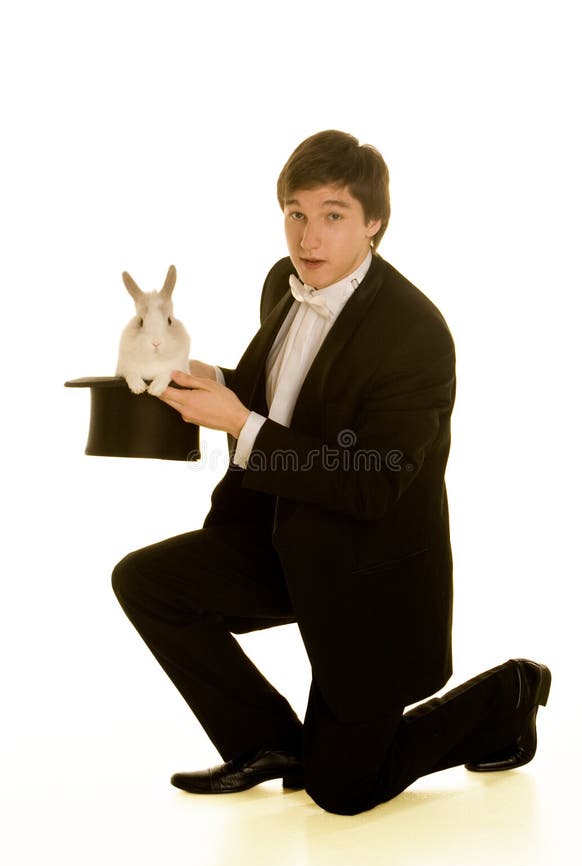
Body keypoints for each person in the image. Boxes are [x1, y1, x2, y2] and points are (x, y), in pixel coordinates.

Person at [111, 130, 550, 816]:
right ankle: (268, 741)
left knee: (343, 791)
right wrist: (210, 381)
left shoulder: (416, 334)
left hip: (365, 571)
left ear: (375, 222)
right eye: (296, 213)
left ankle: (505, 698)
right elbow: (284, 398)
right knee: (146, 582)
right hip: (281, 539)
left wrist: (239, 424)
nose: (309, 237)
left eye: (333, 215)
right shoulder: (281, 286)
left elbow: (370, 481)